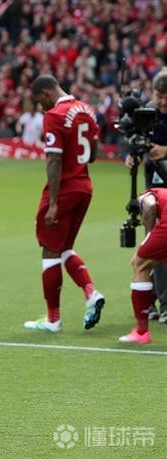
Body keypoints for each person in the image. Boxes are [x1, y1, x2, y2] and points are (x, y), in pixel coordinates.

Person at [23, 74, 105, 333]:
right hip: (84, 187)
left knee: (49, 251)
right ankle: (91, 293)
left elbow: (54, 160)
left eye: (40, 101)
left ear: (47, 93)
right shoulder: (86, 110)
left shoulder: (55, 115)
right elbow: (93, 155)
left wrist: (53, 203)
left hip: (65, 190)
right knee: (65, 247)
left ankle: (53, 319)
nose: (41, 107)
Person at [124, 70, 167, 324]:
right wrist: (132, 156)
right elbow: (135, 144)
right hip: (153, 189)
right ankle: (152, 301)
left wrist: (165, 151)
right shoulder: (147, 113)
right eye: (159, 96)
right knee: (152, 245)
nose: (163, 102)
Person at [119, 187, 167, 344]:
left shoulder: (147, 196)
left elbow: (150, 205)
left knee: (139, 264)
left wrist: (146, 240)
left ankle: (141, 332)